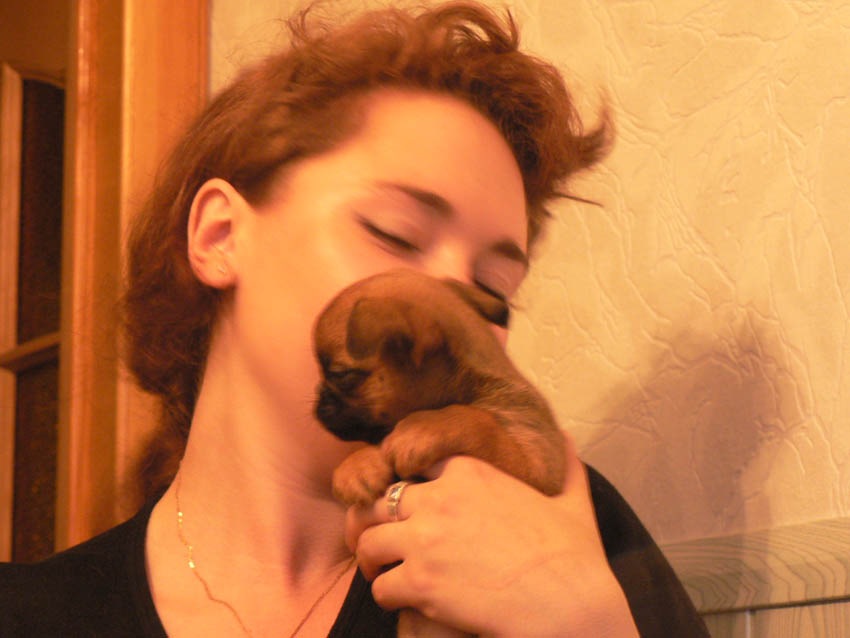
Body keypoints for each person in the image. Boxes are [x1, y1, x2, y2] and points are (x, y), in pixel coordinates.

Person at [0, 2, 709, 636]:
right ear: (220, 235)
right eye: (395, 234)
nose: (451, 309)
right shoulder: (28, 613)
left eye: (493, 289)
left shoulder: (571, 533)